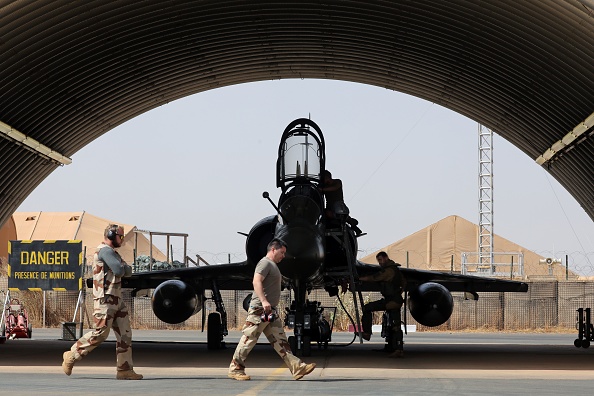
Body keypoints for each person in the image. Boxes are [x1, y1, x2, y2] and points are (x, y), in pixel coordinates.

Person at [62, 224, 143, 380]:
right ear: (112, 235)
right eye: (120, 236)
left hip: (116, 299)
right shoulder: (105, 251)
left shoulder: (112, 253)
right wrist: (123, 267)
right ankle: (72, 354)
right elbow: (121, 270)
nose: (122, 239)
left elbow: (129, 271)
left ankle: (124, 369)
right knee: (100, 334)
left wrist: (123, 267)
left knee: (125, 334)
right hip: (105, 300)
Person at [228, 238, 316, 381]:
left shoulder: (272, 265)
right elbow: (256, 281)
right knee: (249, 338)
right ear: (273, 249)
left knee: (280, 341)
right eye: (282, 252)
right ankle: (235, 369)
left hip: (269, 311)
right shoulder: (265, 263)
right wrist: (263, 301)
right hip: (260, 309)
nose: (283, 256)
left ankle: (297, 367)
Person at [358, 251, 405, 357]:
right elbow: (403, 283)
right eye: (378, 261)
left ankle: (367, 333)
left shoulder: (389, 271)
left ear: (386, 258)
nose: (379, 263)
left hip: (392, 301)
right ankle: (397, 348)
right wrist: (397, 292)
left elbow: (374, 278)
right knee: (395, 325)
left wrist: (360, 278)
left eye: (380, 260)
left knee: (367, 308)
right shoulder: (395, 269)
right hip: (394, 299)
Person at [318, 170, 362, 235]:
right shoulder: (324, 186)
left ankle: (351, 223)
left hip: (338, 205)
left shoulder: (337, 182)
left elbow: (334, 188)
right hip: (329, 205)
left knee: (339, 212)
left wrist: (323, 189)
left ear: (327, 178)